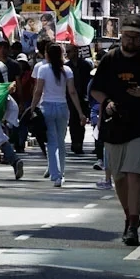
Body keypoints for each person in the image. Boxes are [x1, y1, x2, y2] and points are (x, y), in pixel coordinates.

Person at [92, 24, 140, 245]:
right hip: (114, 127)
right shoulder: (109, 59)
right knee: (119, 178)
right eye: (127, 36)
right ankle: (128, 216)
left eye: (135, 37)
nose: (131, 41)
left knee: (134, 175)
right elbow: (95, 89)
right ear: (121, 36)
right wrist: (107, 103)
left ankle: (133, 224)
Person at [34, 41, 85, 188]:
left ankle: (55, 174)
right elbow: (72, 92)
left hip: (47, 107)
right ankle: (61, 173)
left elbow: (38, 91)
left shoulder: (42, 69)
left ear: (47, 55)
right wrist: (80, 112)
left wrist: (32, 107)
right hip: (63, 108)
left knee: (51, 142)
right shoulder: (67, 71)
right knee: (61, 142)